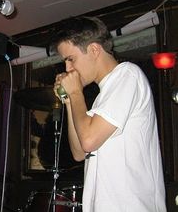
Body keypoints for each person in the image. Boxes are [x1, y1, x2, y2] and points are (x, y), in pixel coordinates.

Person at [53, 16, 166, 212]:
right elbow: (80, 152)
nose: (68, 69)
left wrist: (75, 91)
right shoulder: (103, 97)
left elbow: (88, 140)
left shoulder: (128, 75)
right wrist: (71, 102)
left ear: (95, 49)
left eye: (71, 59)